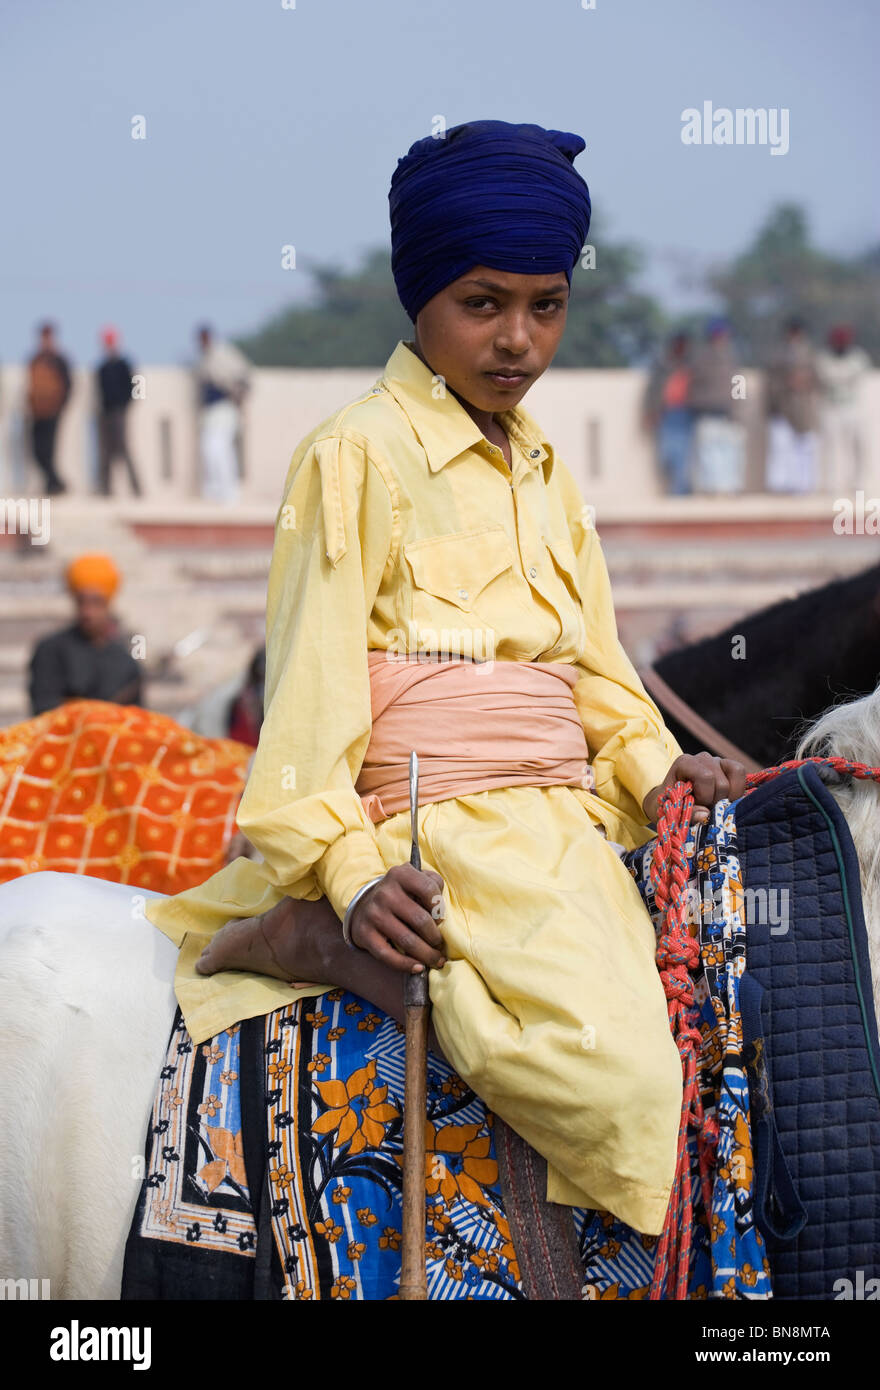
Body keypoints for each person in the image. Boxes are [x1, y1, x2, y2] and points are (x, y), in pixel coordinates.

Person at [143, 120, 746, 1237]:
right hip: (440, 823)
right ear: (419, 298)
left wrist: (663, 776)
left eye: (546, 305)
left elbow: (598, 674)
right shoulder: (353, 454)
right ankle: (302, 936)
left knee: (752, 1020)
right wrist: (355, 874)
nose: (518, 339)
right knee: (624, 1085)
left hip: (572, 815)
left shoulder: (549, 471)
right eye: (483, 303)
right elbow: (310, 701)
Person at [28, 552, 143, 715]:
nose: (88, 612)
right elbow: (43, 709)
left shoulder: (126, 663)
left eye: (96, 602)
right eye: (82, 601)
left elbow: (137, 721)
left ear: (108, 603)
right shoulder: (50, 651)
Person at [687, 317, 746, 494]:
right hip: (708, 413)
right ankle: (712, 490)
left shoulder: (732, 357)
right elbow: (693, 386)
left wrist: (739, 407)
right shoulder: (701, 359)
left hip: (729, 413)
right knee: (709, 454)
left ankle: (729, 489)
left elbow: (739, 382)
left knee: (731, 452)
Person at [195, 324, 251, 503]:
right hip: (211, 411)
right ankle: (215, 491)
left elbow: (243, 375)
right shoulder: (206, 358)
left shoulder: (223, 354)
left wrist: (235, 392)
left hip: (225, 409)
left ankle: (229, 492)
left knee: (221, 449)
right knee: (209, 449)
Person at [765, 318, 821, 493]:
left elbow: (819, 380)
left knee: (805, 449)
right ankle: (779, 487)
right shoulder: (778, 354)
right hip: (783, 407)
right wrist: (787, 383)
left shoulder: (811, 353)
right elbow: (770, 383)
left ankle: (804, 486)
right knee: (781, 448)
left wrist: (804, 381)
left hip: (804, 409)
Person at [816, 324, 872, 495]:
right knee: (831, 448)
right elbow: (827, 376)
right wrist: (840, 376)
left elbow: (853, 375)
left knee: (859, 446)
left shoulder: (858, 357)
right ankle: (832, 484)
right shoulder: (823, 358)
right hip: (831, 408)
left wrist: (839, 376)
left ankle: (858, 483)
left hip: (853, 407)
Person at [643, 331, 694, 495]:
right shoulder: (662, 365)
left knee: (683, 457)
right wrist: (649, 411)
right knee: (666, 457)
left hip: (685, 414)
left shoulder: (691, 366)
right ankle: (677, 489)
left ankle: (679, 493)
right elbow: (651, 390)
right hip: (666, 414)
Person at [26, 321, 72, 495]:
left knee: (48, 450)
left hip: (52, 411)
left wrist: (60, 405)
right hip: (37, 413)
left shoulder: (59, 359)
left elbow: (68, 385)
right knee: (37, 451)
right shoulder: (35, 359)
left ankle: (54, 485)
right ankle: (54, 483)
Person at [95, 326, 142, 496]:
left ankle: (137, 489)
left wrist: (126, 405)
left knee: (124, 450)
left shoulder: (124, 364)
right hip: (105, 413)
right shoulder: (101, 367)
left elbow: (136, 384)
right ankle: (105, 489)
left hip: (119, 412)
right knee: (105, 452)